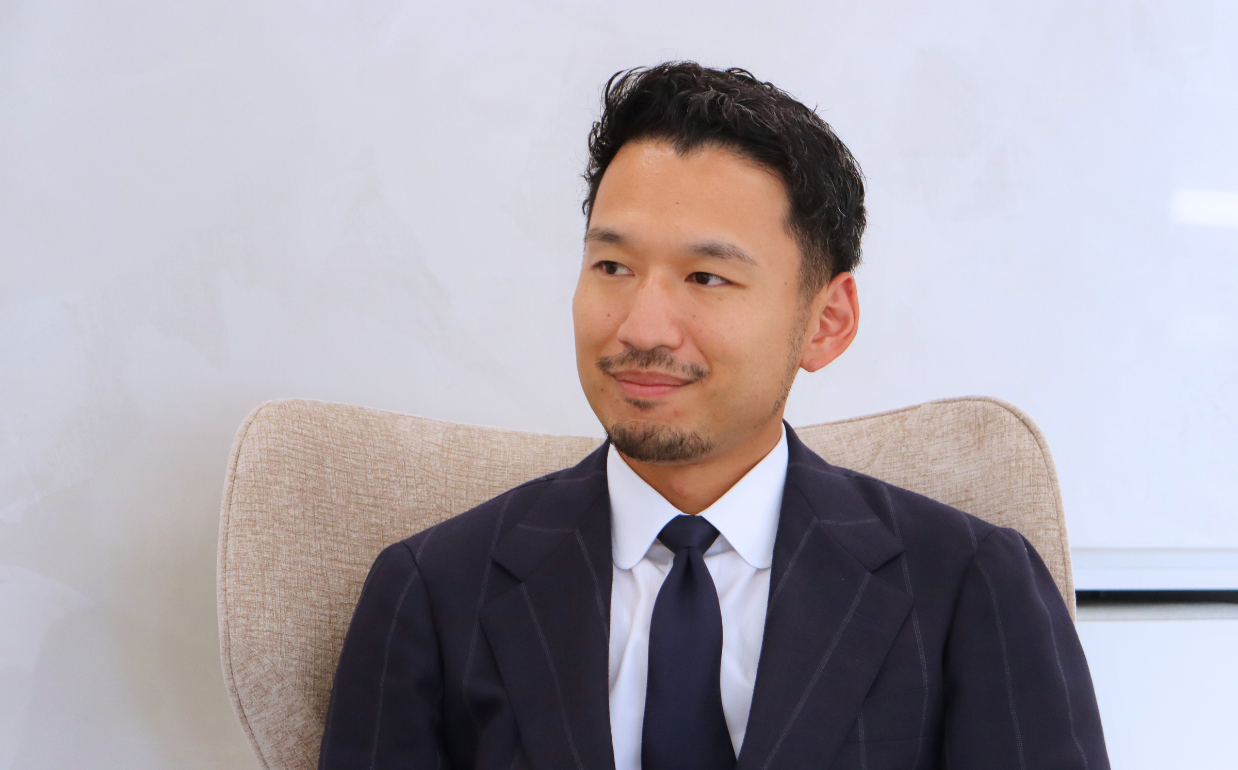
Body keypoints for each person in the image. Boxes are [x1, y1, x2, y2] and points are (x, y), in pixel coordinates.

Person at [317, 62, 1109, 770]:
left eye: (706, 277)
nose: (642, 328)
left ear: (826, 321)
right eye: (613, 266)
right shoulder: (433, 592)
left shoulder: (969, 586)